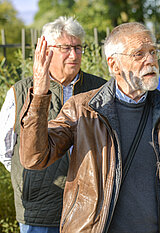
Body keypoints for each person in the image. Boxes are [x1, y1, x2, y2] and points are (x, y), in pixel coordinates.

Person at [19, 22, 160, 233]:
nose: (150, 60)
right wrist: (40, 95)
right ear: (114, 65)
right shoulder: (83, 109)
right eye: (139, 54)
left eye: (153, 52)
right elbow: (34, 157)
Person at [0, 16, 106, 233]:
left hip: (88, 206)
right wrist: (30, 178)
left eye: (78, 48)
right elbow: (5, 148)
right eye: (66, 48)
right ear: (47, 50)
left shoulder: (100, 90)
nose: (74, 55)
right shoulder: (21, 92)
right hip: (39, 210)